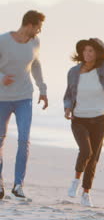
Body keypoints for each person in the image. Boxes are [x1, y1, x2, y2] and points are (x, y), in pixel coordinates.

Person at [63, 38, 104, 207]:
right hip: (79, 119)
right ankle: (75, 181)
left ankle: (86, 193)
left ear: (97, 53)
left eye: (91, 51)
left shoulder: (103, 69)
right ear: (81, 53)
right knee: (86, 151)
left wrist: (103, 45)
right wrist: (67, 108)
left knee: (94, 158)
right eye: (85, 51)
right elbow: (68, 94)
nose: (88, 54)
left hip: (99, 119)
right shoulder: (73, 72)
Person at [0, 10, 48, 200]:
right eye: (38, 27)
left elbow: (35, 64)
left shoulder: (35, 43)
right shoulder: (3, 40)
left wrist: (42, 89)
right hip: (2, 98)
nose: (39, 31)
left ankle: (18, 184)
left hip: (24, 97)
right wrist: (1, 78)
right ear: (30, 25)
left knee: (23, 140)